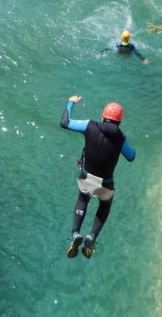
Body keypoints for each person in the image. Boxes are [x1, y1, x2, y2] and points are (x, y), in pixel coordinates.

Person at [60, 96, 136, 259]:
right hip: (105, 185)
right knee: (105, 205)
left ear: (103, 116)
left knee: (83, 198)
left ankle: (75, 234)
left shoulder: (89, 126)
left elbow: (65, 122)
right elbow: (131, 156)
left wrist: (70, 103)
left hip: (86, 178)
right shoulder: (121, 138)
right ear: (119, 122)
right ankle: (92, 237)